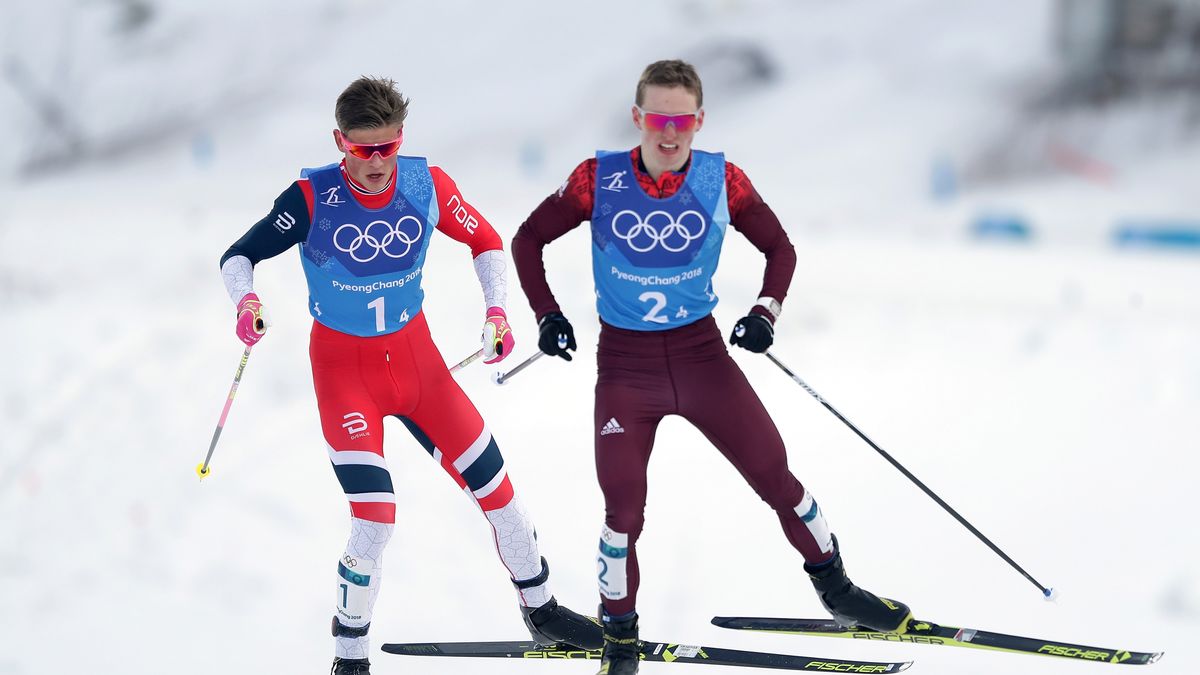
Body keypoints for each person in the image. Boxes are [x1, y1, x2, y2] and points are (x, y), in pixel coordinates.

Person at [511, 60, 912, 674]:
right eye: (657, 118)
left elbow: (780, 248)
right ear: (638, 118)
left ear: (699, 121)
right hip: (626, 367)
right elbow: (527, 239)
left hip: (703, 359)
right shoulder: (598, 180)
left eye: (682, 120)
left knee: (776, 476)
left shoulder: (724, 180)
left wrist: (765, 312)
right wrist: (547, 315)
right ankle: (620, 640)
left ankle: (840, 593)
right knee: (623, 512)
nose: (668, 134)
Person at [218, 76, 601, 675]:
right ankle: (349, 657)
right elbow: (238, 255)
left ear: (401, 139)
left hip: (419, 369)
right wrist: (246, 303)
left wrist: (496, 311)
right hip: (346, 375)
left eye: (387, 148)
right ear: (339, 141)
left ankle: (542, 609)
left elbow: (487, 241)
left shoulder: (425, 183)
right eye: (362, 150)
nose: (375, 164)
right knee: (375, 518)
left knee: (503, 497)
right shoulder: (312, 197)